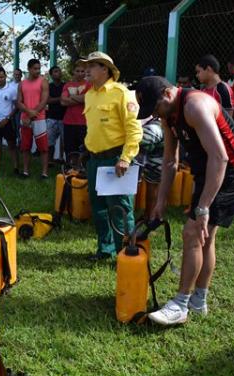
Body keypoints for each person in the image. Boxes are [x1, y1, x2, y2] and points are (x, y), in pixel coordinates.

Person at [134, 76, 234, 326]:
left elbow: (220, 158)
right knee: (204, 238)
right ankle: (199, 302)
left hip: (232, 171)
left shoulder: (194, 106)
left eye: (155, 108)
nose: (155, 115)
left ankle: (181, 304)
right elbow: (169, 160)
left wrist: (203, 208)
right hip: (209, 170)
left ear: (167, 94)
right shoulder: (168, 115)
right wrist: (161, 201)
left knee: (192, 233)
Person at [80, 51, 143, 261]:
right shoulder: (89, 94)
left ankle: (126, 254)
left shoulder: (122, 93)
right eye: (85, 66)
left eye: (91, 66)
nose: (86, 70)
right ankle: (105, 250)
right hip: (94, 159)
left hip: (115, 159)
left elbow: (134, 130)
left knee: (120, 209)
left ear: (104, 69)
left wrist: (126, 158)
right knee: (98, 208)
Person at [17, 59, 49, 179]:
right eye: (35, 68)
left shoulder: (43, 81)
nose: (37, 71)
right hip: (25, 119)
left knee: (43, 147)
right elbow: (19, 102)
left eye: (38, 68)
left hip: (39, 119)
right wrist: (28, 112)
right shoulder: (22, 83)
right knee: (25, 147)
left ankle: (44, 172)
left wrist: (31, 114)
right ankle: (25, 171)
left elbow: (44, 100)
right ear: (29, 69)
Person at [60, 61, 91, 160]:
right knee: (70, 148)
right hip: (69, 122)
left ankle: (82, 169)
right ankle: (71, 168)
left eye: (82, 71)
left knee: (84, 148)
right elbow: (63, 102)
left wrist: (72, 97)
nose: (80, 73)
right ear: (73, 72)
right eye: (77, 71)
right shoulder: (67, 85)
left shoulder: (89, 85)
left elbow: (88, 99)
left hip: (84, 122)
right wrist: (80, 99)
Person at [136, 116, 164, 219]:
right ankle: (150, 216)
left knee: (149, 180)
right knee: (153, 180)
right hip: (157, 125)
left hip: (149, 129)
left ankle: (150, 216)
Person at [46, 66, 66, 163]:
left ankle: (61, 158)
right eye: (55, 71)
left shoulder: (65, 85)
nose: (58, 73)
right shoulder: (49, 86)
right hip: (52, 117)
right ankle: (50, 160)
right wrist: (61, 98)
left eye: (59, 71)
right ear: (51, 74)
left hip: (64, 117)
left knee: (64, 140)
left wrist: (56, 99)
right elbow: (47, 100)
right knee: (50, 141)